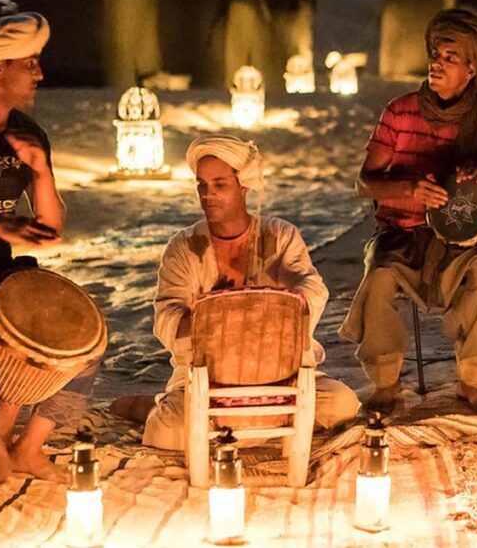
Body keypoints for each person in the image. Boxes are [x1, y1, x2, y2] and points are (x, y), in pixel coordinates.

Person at [110, 135, 359, 448]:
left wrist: (285, 300)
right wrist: (214, 318)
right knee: (165, 433)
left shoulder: (280, 235)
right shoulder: (184, 248)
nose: (208, 195)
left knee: (343, 405)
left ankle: (234, 423)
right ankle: (151, 406)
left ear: (243, 186)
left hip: (279, 374)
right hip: (209, 379)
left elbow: (312, 287)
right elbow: (166, 320)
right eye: (202, 185)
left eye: (219, 185)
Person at [339, 8, 477, 413]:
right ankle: (386, 384)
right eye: (435, 54)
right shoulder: (399, 111)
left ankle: (473, 381)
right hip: (401, 234)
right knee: (378, 277)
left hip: (461, 243)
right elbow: (363, 183)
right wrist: (408, 189)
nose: (436, 63)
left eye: (449, 57)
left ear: (471, 69)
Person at [0, 0, 95, 485]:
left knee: (82, 342)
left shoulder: (28, 133)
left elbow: (51, 227)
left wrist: (42, 172)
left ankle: (29, 447)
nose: (40, 74)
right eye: (29, 63)